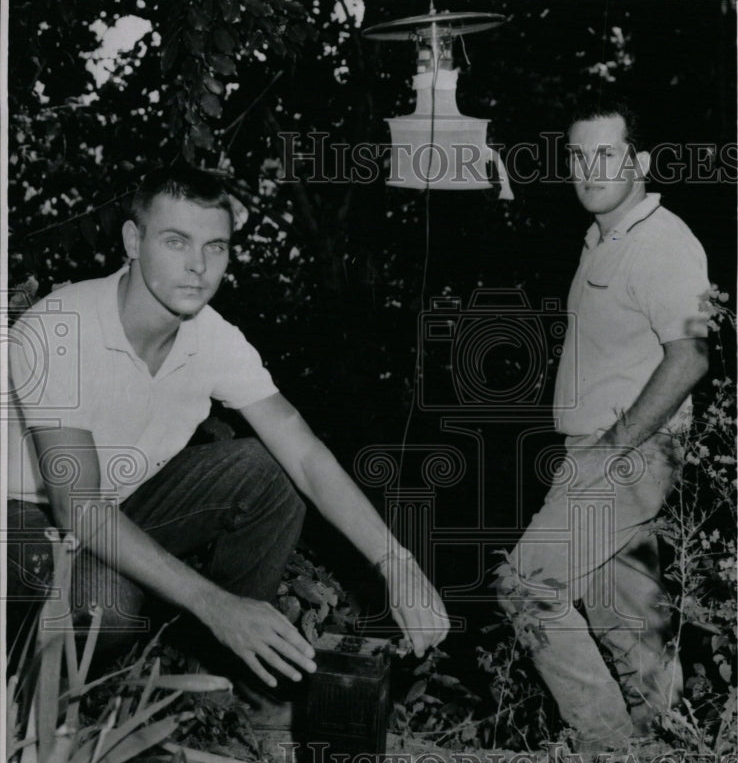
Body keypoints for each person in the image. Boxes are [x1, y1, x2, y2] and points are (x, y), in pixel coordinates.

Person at [7, 164, 449, 689]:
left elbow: (304, 453)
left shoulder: (212, 339)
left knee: (266, 470)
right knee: (107, 603)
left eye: (215, 247)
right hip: (21, 518)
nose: (198, 266)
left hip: (112, 505)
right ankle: (27, 720)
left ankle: (229, 684)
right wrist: (215, 605)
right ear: (133, 239)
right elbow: (75, 506)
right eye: (176, 241)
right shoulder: (59, 328)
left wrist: (395, 562)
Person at [496, 99, 711, 751]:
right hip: (605, 447)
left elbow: (692, 355)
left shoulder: (660, 241)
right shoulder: (603, 236)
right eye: (577, 155)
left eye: (606, 153)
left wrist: (613, 446)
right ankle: (667, 744)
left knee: (527, 585)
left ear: (639, 162)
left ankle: (603, 745)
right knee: (620, 613)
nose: (589, 169)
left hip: (625, 452)